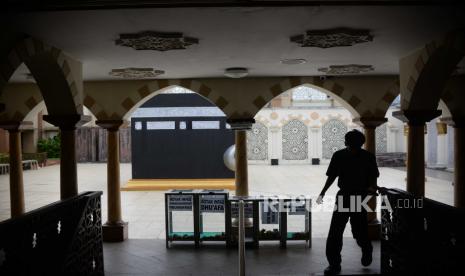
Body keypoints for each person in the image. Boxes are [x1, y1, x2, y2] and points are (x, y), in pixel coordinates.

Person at [316, 129, 379, 275]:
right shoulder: (340, 155)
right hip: (345, 196)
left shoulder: (366, 157)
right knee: (336, 231)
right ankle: (334, 263)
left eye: (348, 140)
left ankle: (365, 248)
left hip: (357, 197)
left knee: (357, 229)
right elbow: (332, 175)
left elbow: (372, 177)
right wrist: (323, 192)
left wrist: (371, 188)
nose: (346, 142)